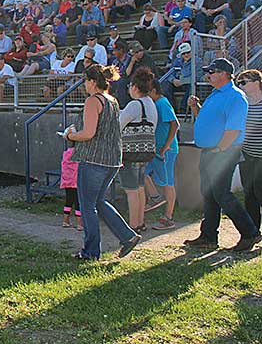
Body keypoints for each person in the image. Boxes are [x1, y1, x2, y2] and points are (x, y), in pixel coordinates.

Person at [64, 64, 141, 260]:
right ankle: (127, 236)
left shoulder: (93, 101)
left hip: (93, 160)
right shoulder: (112, 101)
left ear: (91, 81)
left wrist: (71, 135)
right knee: (100, 201)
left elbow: (89, 134)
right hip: (112, 160)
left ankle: (90, 252)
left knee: (87, 205)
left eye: (85, 81)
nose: (84, 85)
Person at [184, 58, 262, 251]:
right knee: (209, 194)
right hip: (211, 150)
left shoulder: (235, 97)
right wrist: (195, 108)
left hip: (223, 152)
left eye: (212, 71)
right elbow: (209, 120)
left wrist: (219, 149)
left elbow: (234, 129)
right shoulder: (216, 94)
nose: (208, 75)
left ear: (225, 74)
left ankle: (250, 233)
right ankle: (209, 236)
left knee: (222, 194)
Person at [119, 69, 158, 233]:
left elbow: (117, 126)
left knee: (131, 190)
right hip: (145, 151)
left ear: (134, 87)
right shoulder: (151, 103)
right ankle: (140, 222)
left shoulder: (134, 105)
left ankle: (133, 226)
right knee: (140, 187)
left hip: (130, 152)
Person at [144, 76, 180, 230]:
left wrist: (166, 146)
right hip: (156, 149)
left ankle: (168, 217)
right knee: (142, 173)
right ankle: (154, 198)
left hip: (166, 150)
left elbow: (175, 124)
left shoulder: (162, 103)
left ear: (153, 91)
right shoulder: (154, 103)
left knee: (168, 182)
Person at [237, 70, 262, 230]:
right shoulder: (242, 103)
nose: (241, 86)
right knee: (249, 194)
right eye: (239, 83)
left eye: (244, 82)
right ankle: (253, 230)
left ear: (257, 82)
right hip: (246, 155)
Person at [60, 143, 83, 230]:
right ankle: (79, 224)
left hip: (67, 181)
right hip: (76, 182)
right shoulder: (79, 155)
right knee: (78, 202)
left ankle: (65, 221)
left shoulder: (65, 154)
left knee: (68, 201)